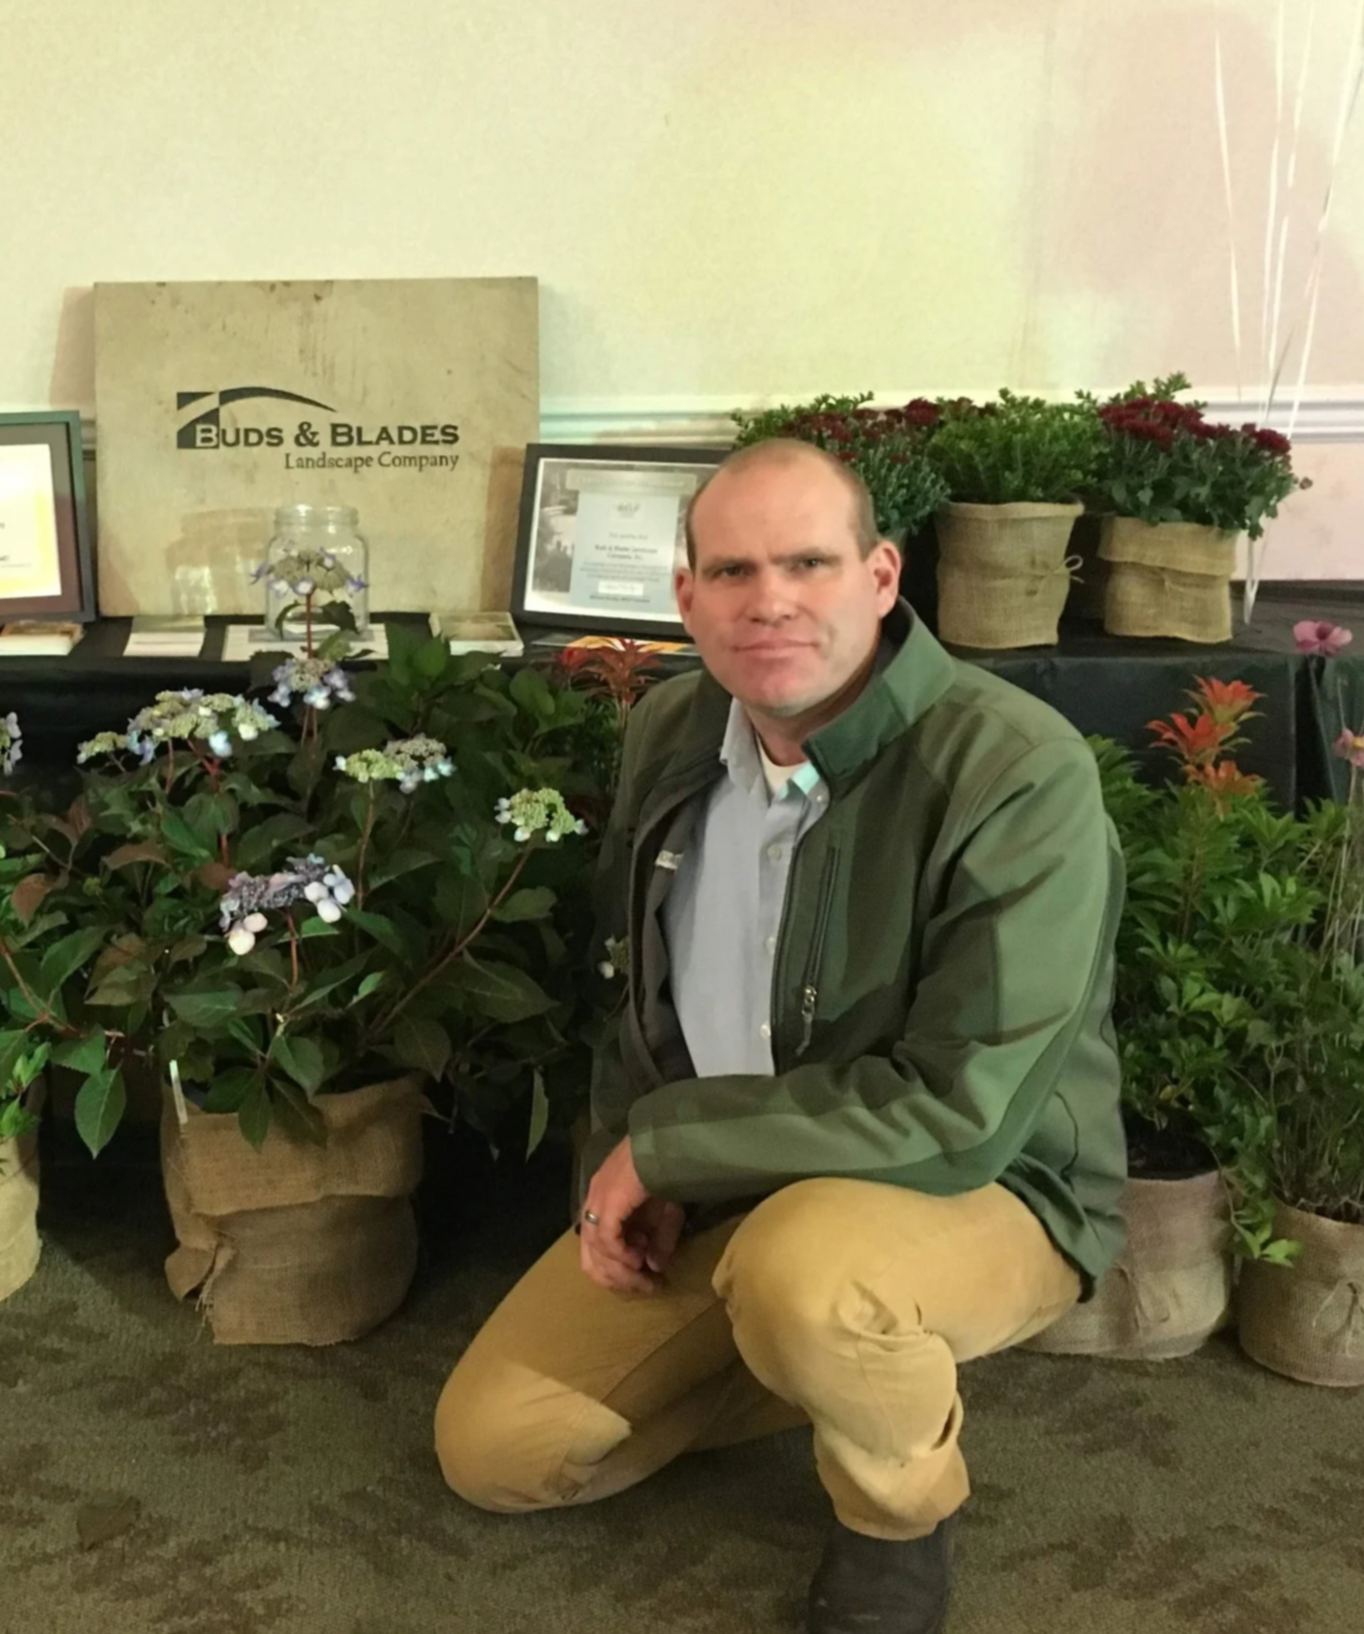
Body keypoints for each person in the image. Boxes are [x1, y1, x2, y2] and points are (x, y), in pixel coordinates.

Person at [434, 439, 1127, 1634]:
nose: (770, 600)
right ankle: (828, 1352)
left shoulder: (1013, 768)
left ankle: (897, 1508)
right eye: (734, 568)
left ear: (880, 576)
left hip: (980, 1181)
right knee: (500, 1450)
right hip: (730, 1178)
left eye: (809, 561)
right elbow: (633, 991)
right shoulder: (670, 729)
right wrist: (616, 1173)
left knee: (812, 1274)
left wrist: (669, 1151)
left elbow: (958, 1109)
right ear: (685, 596)